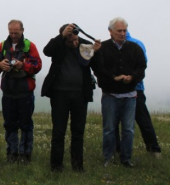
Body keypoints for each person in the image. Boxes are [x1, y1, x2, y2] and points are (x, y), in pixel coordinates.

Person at [41, 24, 101, 172]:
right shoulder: (58, 45)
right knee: (58, 132)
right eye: (70, 40)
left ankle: (78, 166)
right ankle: (56, 167)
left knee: (78, 132)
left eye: (75, 39)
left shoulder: (84, 46)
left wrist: (95, 51)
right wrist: (62, 36)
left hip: (80, 95)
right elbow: (47, 51)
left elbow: (95, 66)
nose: (74, 43)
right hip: (59, 93)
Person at [91, 17, 146, 168]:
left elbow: (141, 68)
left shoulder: (135, 48)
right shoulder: (102, 48)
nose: (122, 34)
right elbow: (97, 69)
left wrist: (132, 77)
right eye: (119, 31)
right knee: (109, 129)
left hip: (130, 95)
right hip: (110, 95)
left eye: (124, 31)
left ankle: (126, 159)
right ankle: (108, 158)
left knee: (128, 129)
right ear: (110, 32)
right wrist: (114, 78)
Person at [0, 20, 41, 163]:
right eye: (11, 32)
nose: (13, 35)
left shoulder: (29, 46)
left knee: (26, 124)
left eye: (16, 33)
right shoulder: (2, 46)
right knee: (10, 124)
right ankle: (12, 153)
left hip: (25, 92)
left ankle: (26, 154)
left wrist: (23, 65)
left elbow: (37, 65)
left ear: (22, 30)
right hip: (8, 92)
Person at [114, 31, 161, 157]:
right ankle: (153, 149)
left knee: (119, 121)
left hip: (134, 88)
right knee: (142, 119)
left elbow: (142, 64)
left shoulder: (134, 44)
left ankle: (117, 150)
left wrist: (130, 77)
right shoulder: (134, 43)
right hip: (127, 88)